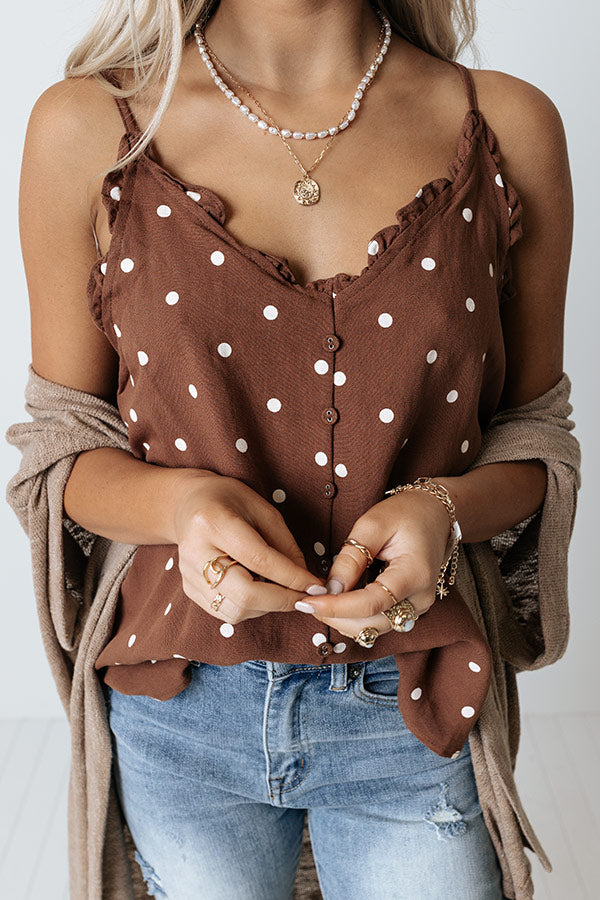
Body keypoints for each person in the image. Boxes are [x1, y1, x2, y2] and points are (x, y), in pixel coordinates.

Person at [16, 0, 574, 897]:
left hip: (413, 706)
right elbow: (63, 444)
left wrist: (443, 509)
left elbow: (535, 432)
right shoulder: (92, 127)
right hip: (180, 705)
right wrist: (181, 507)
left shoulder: (506, 126)